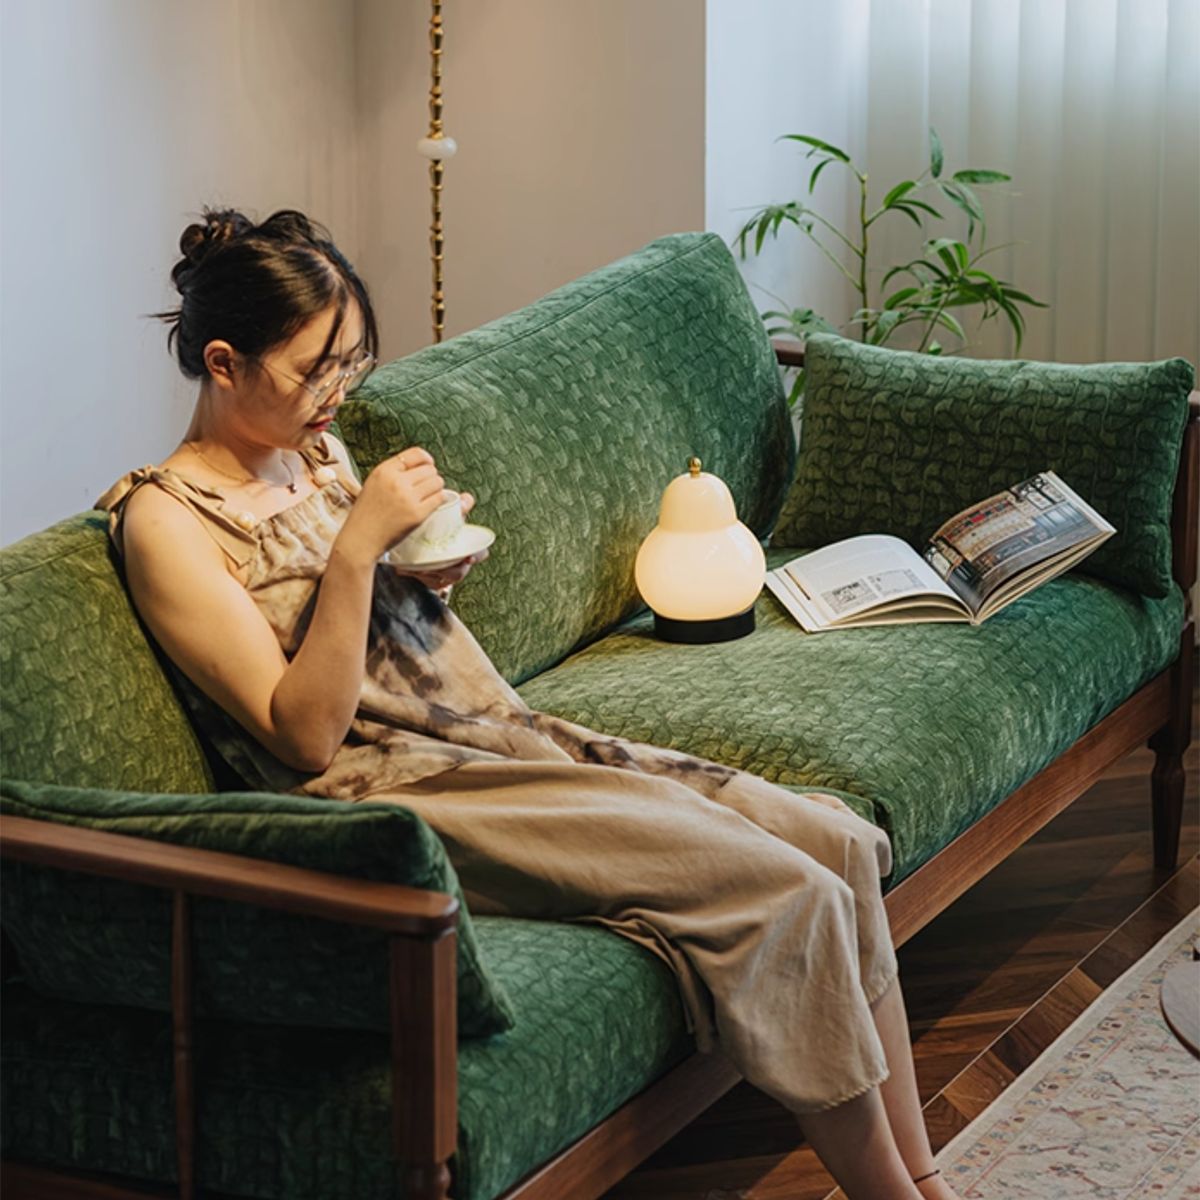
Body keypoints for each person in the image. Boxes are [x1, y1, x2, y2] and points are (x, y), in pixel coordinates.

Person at [97, 207, 961, 1200]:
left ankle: (925, 1180)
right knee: (784, 892)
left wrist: (421, 572)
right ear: (223, 363)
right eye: (315, 370)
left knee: (833, 842)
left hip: (498, 735)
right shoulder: (167, 523)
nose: (339, 391)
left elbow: (374, 634)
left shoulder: (311, 455)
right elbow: (304, 732)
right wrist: (360, 548)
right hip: (400, 796)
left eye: (352, 362)